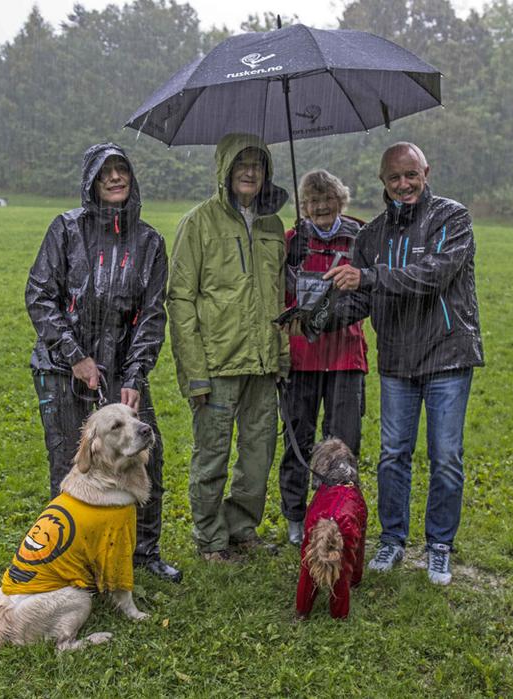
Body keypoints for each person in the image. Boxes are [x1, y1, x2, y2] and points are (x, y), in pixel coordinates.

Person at [322, 142, 484, 585]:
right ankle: (393, 539)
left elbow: (432, 274)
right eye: (394, 178)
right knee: (393, 455)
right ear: (383, 182)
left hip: (448, 354)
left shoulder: (453, 218)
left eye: (411, 175)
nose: (404, 184)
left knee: (446, 456)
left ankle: (439, 547)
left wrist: (370, 277)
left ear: (425, 171)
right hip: (398, 361)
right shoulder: (371, 236)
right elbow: (357, 299)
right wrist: (314, 315)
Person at [25, 142, 182, 583]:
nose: (115, 178)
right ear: (91, 181)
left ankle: (143, 554)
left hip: (121, 368)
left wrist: (135, 374)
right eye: (105, 172)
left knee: (149, 453)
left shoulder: (150, 242)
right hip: (60, 369)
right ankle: (72, 556)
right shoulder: (66, 230)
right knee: (71, 464)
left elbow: (152, 316)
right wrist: (75, 356)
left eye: (122, 170)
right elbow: (39, 296)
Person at [167, 132, 290, 563]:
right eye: (242, 163)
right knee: (212, 456)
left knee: (258, 457)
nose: (250, 171)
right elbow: (180, 299)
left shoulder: (274, 225)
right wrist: (193, 372)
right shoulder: (198, 223)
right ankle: (211, 539)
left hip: (263, 362)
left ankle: (241, 526)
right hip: (216, 365)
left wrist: (282, 355)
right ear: (224, 169)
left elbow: (278, 295)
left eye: (258, 164)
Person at [279, 169, 369, 546]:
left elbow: (367, 291)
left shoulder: (360, 237)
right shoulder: (292, 240)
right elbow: (280, 294)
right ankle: (296, 517)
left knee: (343, 443)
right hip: (302, 359)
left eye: (327, 199)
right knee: (297, 440)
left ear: (340, 200)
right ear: (304, 205)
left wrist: (328, 317)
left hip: (346, 356)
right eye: (312, 201)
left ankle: (334, 512)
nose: (320, 206)